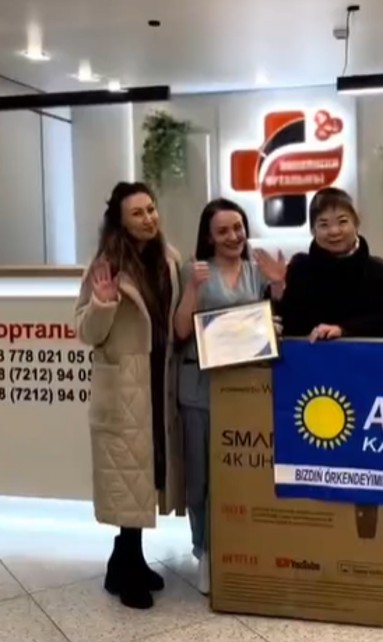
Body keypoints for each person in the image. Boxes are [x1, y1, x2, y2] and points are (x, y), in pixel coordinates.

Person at [75, 182, 185, 610]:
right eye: (137, 213)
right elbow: (86, 331)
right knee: (129, 477)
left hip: (159, 379)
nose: (148, 218)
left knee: (147, 474)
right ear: (120, 222)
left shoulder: (169, 259)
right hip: (125, 385)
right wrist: (101, 304)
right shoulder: (106, 265)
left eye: (151, 209)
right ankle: (127, 567)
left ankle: (124, 562)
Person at [174, 197, 286, 595]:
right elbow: (180, 331)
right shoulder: (195, 270)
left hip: (245, 391)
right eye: (222, 230)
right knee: (201, 478)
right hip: (201, 389)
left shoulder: (258, 271)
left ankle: (238, 550)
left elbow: (272, 325)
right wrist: (193, 288)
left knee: (240, 476)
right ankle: (205, 551)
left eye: (237, 227)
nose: (233, 236)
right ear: (209, 236)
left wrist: (278, 287)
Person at [279, 187, 383, 340]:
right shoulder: (300, 268)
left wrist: (344, 330)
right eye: (324, 224)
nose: (334, 231)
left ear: (356, 223)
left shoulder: (378, 271)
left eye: (342, 222)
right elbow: (287, 325)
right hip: (311, 354)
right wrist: (277, 286)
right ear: (313, 230)